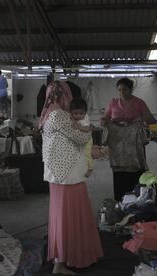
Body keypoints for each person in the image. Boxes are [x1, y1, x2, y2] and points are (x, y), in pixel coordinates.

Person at [39, 81, 103, 275]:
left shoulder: (49, 114)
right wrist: (86, 125)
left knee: (64, 215)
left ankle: (65, 258)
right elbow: (82, 138)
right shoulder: (59, 115)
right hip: (66, 175)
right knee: (68, 216)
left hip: (62, 174)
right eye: (67, 94)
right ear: (63, 96)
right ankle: (62, 262)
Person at [101, 78, 156, 201]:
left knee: (136, 171)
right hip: (118, 146)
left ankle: (138, 198)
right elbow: (105, 118)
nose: (121, 92)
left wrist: (141, 118)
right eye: (119, 90)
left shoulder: (139, 103)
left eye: (124, 89)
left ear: (131, 89)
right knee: (119, 173)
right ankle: (120, 199)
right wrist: (103, 121)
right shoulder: (113, 103)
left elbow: (151, 120)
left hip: (135, 145)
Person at [69, 98, 94, 177]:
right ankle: (81, 167)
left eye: (81, 113)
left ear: (85, 112)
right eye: (75, 113)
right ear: (71, 112)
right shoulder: (70, 117)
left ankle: (90, 168)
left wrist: (79, 127)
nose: (79, 115)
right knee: (79, 155)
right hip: (78, 140)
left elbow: (87, 129)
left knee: (87, 153)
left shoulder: (86, 117)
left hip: (87, 140)